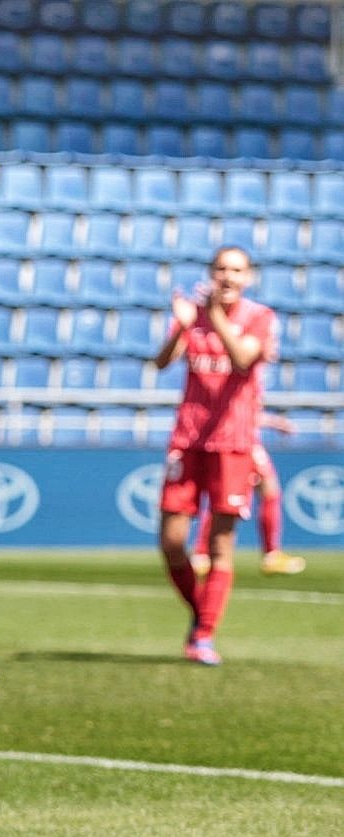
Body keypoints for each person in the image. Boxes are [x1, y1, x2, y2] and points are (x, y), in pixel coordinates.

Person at [154, 246, 280, 666]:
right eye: (221, 268)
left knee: (220, 542)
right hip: (188, 441)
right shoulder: (192, 314)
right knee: (172, 542)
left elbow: (243, 359)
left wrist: (215, 316)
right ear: (211, 271)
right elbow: (161, 363)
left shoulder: (259, 318)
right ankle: (201, 612)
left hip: (233, 443)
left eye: (237, 270)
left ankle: (203, 636)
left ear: (249, 278)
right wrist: (181, 328)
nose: (228, 276)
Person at [191, 412, 306, 577]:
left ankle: (202, 555)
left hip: (242, 439)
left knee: (264, 491)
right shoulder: (239, 387)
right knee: (227, 498)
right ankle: (202, 554)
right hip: (237, 441)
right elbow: (236, 410)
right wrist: (275, 422)